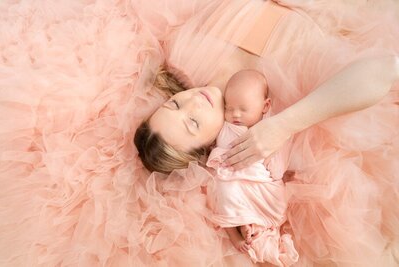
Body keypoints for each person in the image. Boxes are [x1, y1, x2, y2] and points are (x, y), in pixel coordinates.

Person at [134, 0, 399, 265]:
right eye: (193, 123)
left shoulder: (187, 53)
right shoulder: (271, 112)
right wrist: (283, 125)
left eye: (175, 103)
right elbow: (387, 69)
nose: (193, 102)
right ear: (206, 148)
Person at [206, 69, 299, 266]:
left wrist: (276, 171)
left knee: (277, 198)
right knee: (224, 192)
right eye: (229, 108)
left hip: (260, 180)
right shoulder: (226, 126)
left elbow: (278, 162)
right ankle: (234, 230)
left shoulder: (270, 128)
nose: (234, 114)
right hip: (230, 175)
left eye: (243, 108)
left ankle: (253, 225)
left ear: (265, 106)